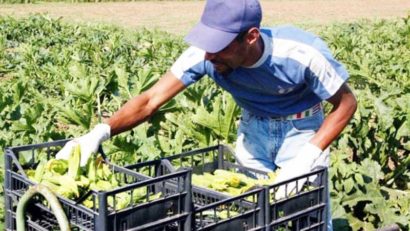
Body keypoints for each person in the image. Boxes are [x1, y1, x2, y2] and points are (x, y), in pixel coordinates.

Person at [56, 0, 357, 230]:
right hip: (253, 130)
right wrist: (100, 132)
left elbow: (346, 104)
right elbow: (149, 101)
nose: (209, 56)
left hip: (302, 130)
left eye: (219, 47)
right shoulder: (204, 55)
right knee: (249, 213)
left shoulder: (301, 54)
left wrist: (308, 156)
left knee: (310, 213)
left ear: (250, 37)